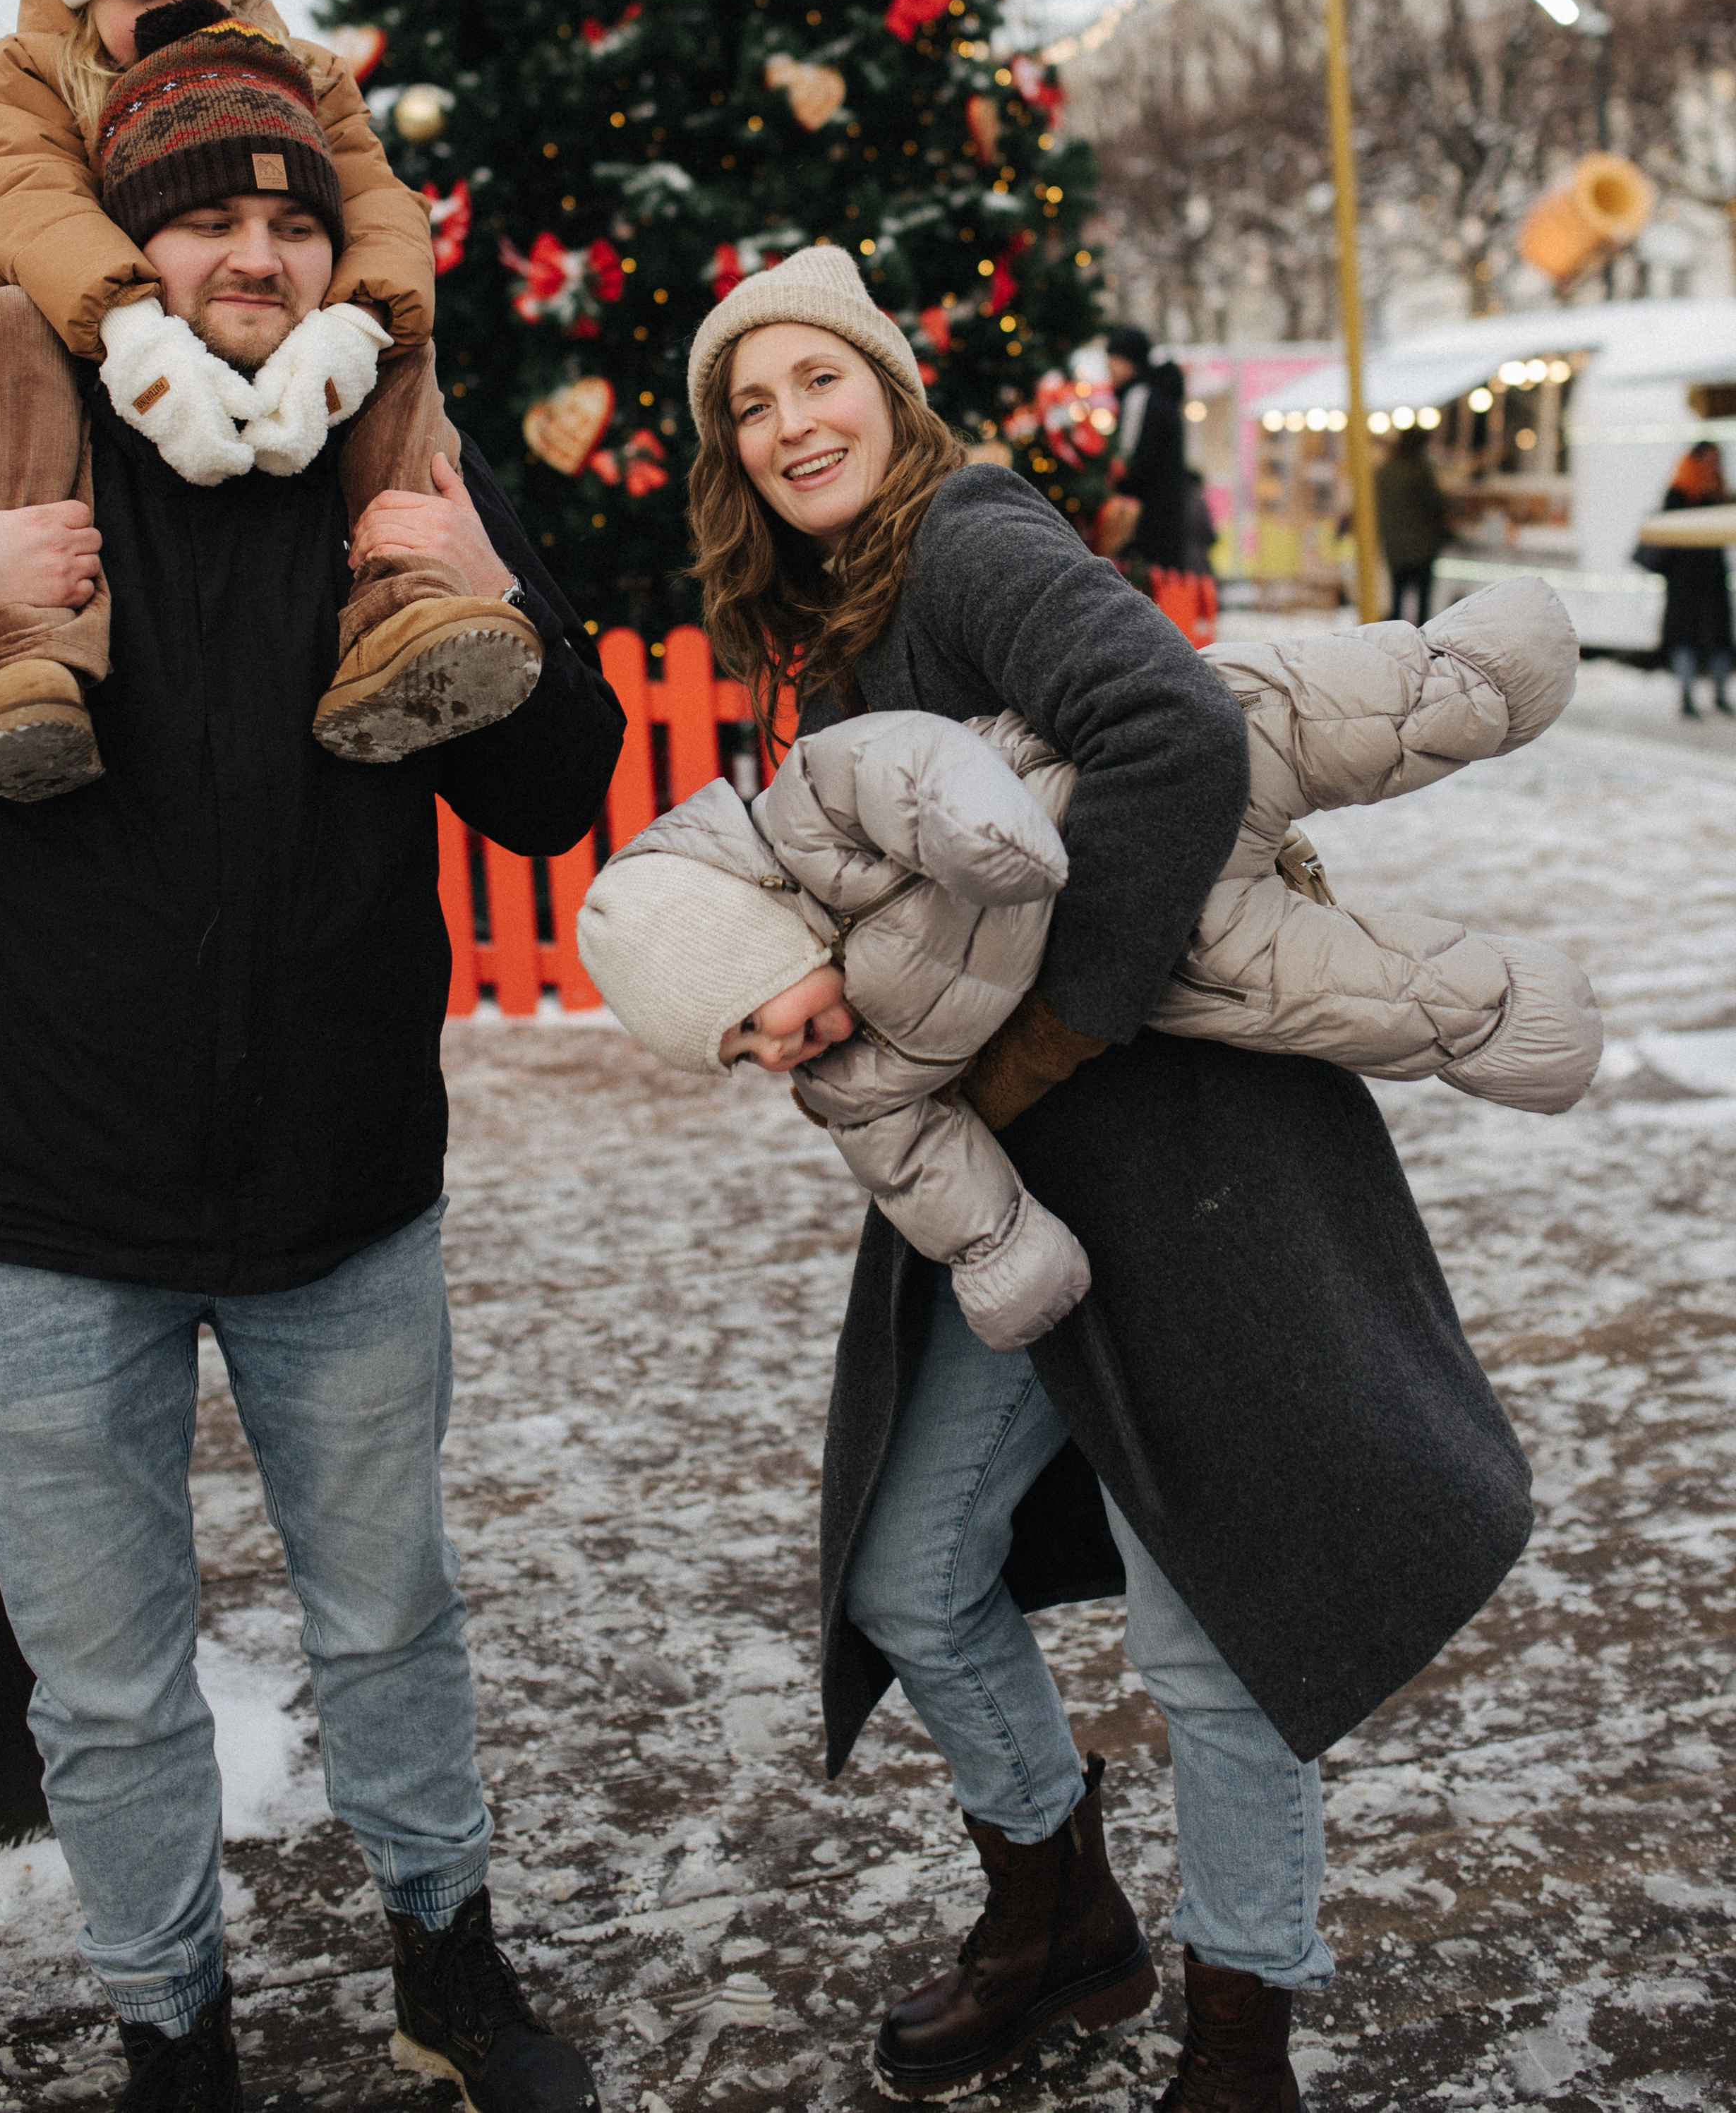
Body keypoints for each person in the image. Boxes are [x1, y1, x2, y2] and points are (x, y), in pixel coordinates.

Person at [680, 247, 1536, 2112]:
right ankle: (1059, 1914)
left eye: (818, 378)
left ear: (895, 394)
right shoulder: (838, 619)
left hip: (1189, 1163)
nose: (787, 422)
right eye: (748, 404)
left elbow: (1173, 728)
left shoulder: (970, 539)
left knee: (1205, 1626)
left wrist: (1057, 1019)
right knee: (910, 1570)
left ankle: (1245, 2029)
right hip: (1026, 1188)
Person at [0, 43, 624, 2111]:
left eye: (289, 218)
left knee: (391, 1615)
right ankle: (174, 2034)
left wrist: (495, 596)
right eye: (208, 218)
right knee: (110, 1683)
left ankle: (451, 1970)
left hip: (337, 1191)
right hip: (39, 1207)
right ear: (129, 249)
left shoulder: (391, 453)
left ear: (335, 249)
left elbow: (553, 791)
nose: (253, 250)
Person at [577, 584, 1598, 1354]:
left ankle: (1479, 677)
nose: (773, 1054)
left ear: (761, 935)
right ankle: (1505, 1020)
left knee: (1320, 708)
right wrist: (996, 1249)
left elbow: (907, 763)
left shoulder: (811, 815)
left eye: (753, 1019)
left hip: (1122, 778)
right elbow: (921, 1167)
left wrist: (980, 830)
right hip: (1157, 943)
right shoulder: (853, 1082)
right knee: (1336, 993)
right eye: (742, 1056)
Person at [0, 0, 528, 798]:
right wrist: (134, 327)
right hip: (62, 353)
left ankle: (408, 604)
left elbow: (380, 203)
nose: (177, 9)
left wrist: (349, 329)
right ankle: (29, 641)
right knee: (9, 319)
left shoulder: (299, 76)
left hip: (279, 379)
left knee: (397, 329)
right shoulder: (29, 76)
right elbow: (28, 202)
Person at [1652, 440, 1734, 718]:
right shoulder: (1679, 494)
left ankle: (1720, 693)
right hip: (1686, 582)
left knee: (1720, 636)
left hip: (1712, 580)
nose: (1713, 466)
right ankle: (1686, 695)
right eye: (1708, 459)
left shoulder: (1718, 493)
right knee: (1686, 636)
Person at [1104, 327, 1188, 574]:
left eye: (1114, 360)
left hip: (1145, 520)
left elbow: (1128, 459)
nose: (1109, 367)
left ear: (1130, 362)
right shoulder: (1161, 395)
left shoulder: (1139, 397)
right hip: (1166, 518)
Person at [1373, 423, 1452, 627]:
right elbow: (1435, 505)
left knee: (1397, 601)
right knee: (1423, 606)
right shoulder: (1418, 471)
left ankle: (1395, 643)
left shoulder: (1384, 471)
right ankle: (1420, 647)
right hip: (1422, 548)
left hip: (1394, 547)